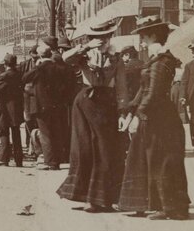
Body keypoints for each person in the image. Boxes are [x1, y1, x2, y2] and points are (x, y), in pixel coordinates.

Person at [118, 15, 190, 220]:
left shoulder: (161, 60)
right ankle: (153, 205)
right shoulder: (156, 59)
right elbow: (144, 90)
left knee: (162, 161)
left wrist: (139, 115)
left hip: (159, 118)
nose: (141, 39)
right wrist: (131, 110)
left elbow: (154, 93)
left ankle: (170, 208)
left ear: (151, 35)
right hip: (154, 116)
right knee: (148, 159)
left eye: (143, 35)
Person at [56, 19, 124, 213]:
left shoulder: (116, 57)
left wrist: (123, 110)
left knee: (107, 150)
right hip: (86, 102)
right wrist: (85, 47)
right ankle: (89, 199)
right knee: (85, 148)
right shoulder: (84, 55)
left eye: (105, 37)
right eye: (97, 37)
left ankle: (105, 199)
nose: (102, 41)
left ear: (110, 37)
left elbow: (121, 86)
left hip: (107, 104)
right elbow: (65, 59)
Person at [23, 38, 67, 170]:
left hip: (41, 105)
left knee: (45, 133)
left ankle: (50, 162)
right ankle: (58, 160)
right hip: (56, 104)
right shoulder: (57, 67)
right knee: (56, 132)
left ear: (41, 55)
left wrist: (37, 64)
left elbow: (25, 78)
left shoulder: (39, 68)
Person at [0, 54, 24, 167]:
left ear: (5, 64)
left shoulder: (3, 76)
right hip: (17, 107)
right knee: (16, 132)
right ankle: (19, 160)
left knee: (4, 131)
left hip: (4, 107)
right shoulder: (19, 74)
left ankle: (3, 158)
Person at [20, 46, 40, 161]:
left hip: (38, 96)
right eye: (34, 54)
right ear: (30, 54)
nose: (36, 56)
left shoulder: (42, 63)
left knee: (37, 122)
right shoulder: (24, 65)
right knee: (28, 120)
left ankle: (36, 147)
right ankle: (29, 145)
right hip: (27, 96)